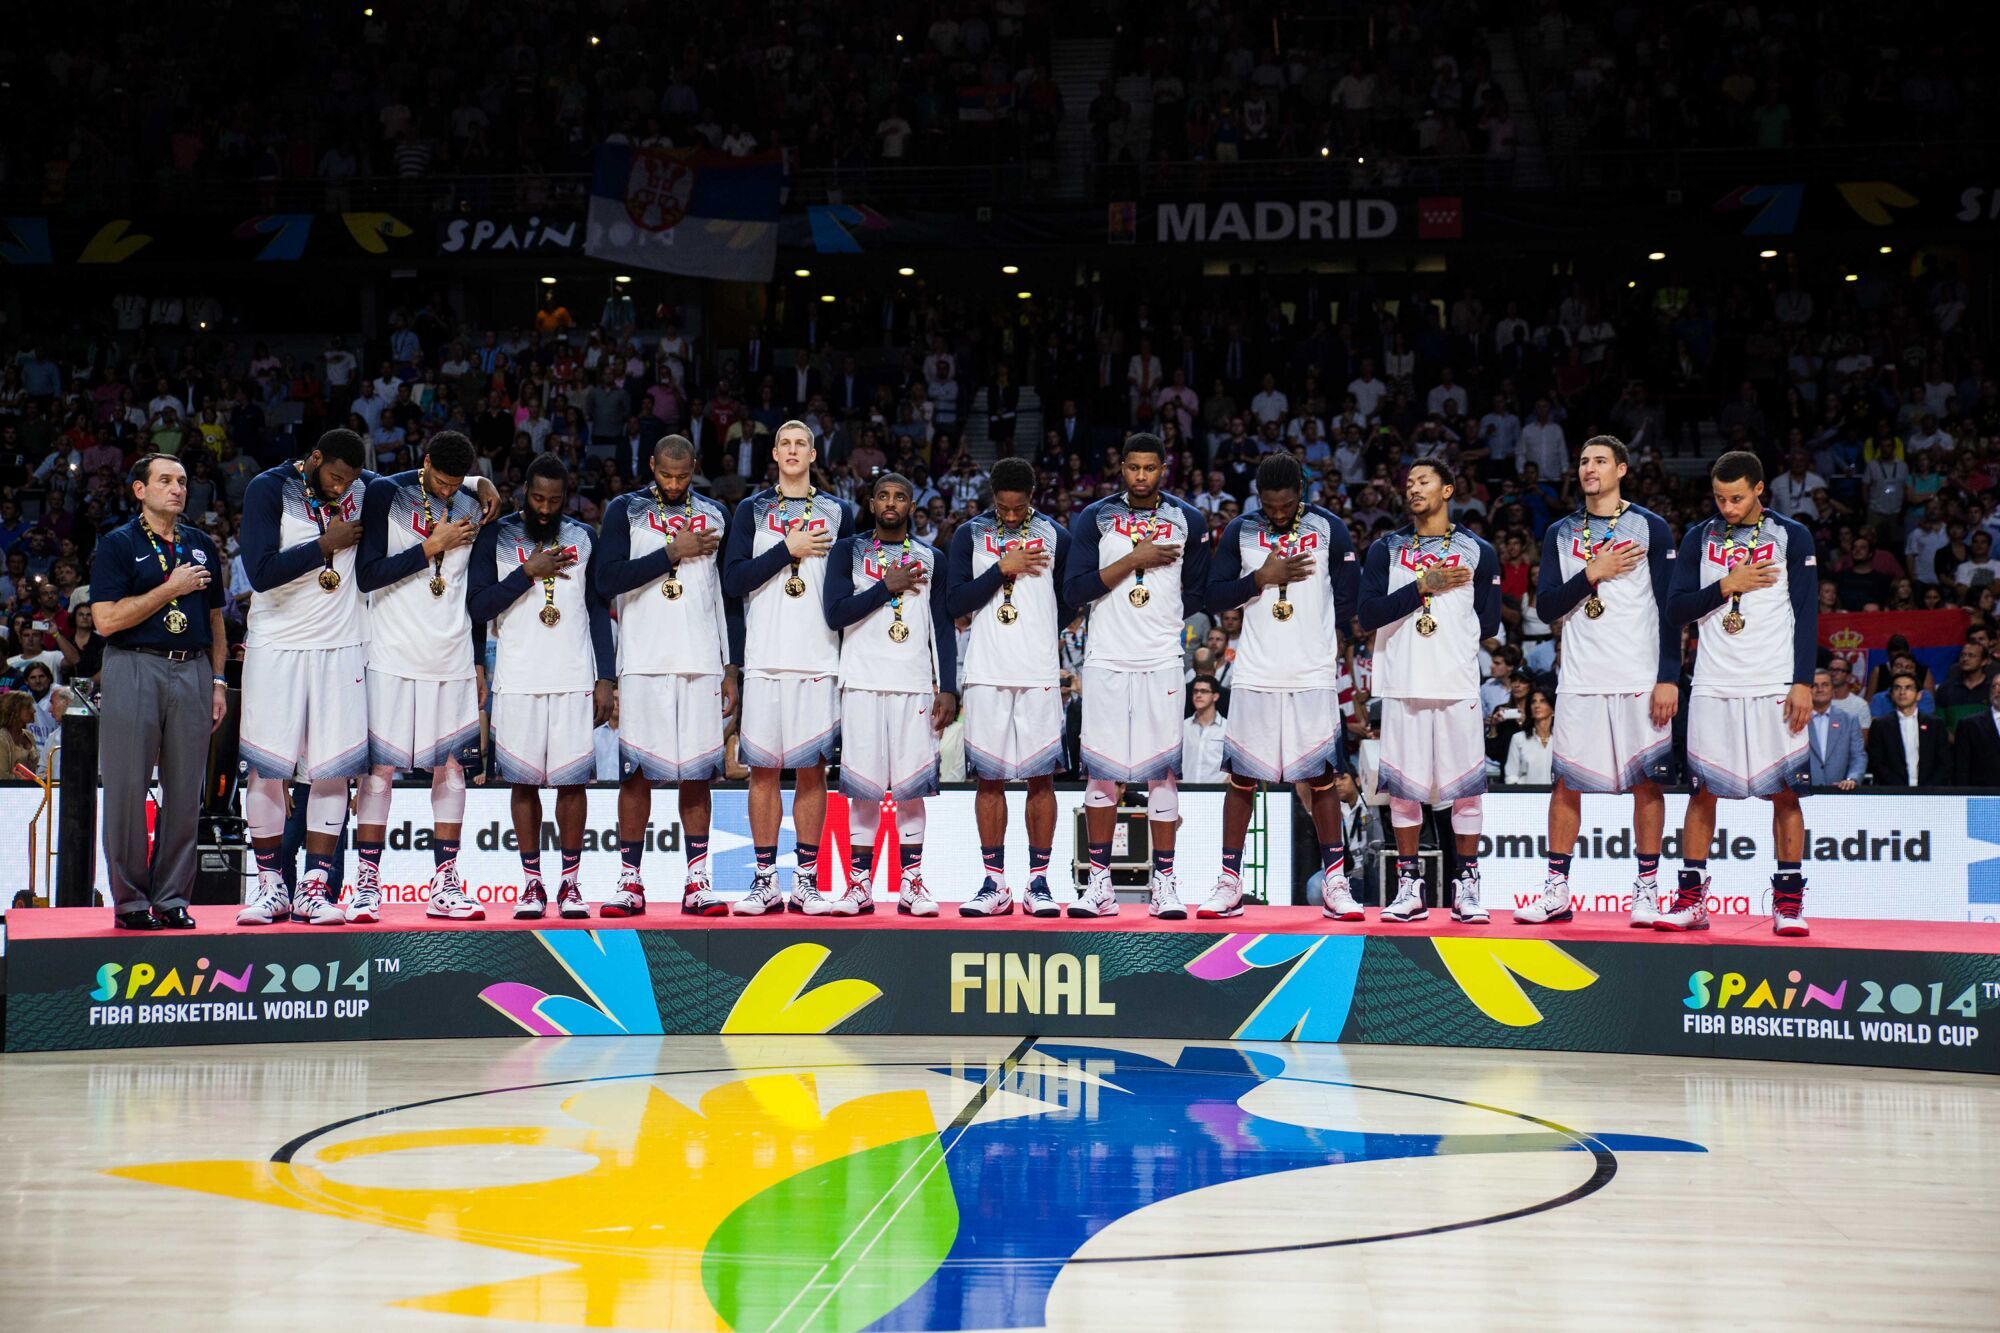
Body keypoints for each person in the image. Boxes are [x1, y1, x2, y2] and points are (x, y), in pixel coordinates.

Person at [1515, 436, 1680, 928]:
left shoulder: (1652, 527)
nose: (1590, 468)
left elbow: (1671, 610)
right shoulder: (1561, 532)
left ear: (1622, 470)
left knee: (1645, 785)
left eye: (1600, 461)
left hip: (1638, 675)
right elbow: (1545, 608)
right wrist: (1592, 572)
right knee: (1566, 784)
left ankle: (1646, 890)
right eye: (1584, 461)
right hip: (1581, 677)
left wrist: (1668, 677)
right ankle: (1557, 890)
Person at [1662, 451, 1817, 936]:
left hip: (1774, 681)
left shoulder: (1792, 535)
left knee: (1785, 793)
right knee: (1703, 791)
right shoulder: (1697, 538)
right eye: (1719, 497)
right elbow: (1677, 610)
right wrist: (1726, 585)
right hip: (1712, 682)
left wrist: (1804, 682)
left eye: (1736, 497)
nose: (1727, 506)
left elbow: (1808, 612)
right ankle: (1692, 900)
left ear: (1758, 490)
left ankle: (1788, 903)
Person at [1200, 452, 1361, 919]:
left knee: (1322, 777)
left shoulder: (1332, 528)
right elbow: (1213, 595)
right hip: (1255, 672)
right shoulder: (1240, 531)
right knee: (1241, 779)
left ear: (1303, 492)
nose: (1278, 512)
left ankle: (1335, 881)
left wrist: (1335, 640)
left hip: (1311, 673)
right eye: (1269, 505)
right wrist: (1260, 579)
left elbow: (1350, 598)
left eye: (1286, 504)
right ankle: (1230, 881)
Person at [1061, 432, 1210, 917]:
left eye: (1150, 468)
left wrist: (1159, 618)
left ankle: (1165, 882)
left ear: (1164, 468)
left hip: (1162, 660)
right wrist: (1133, 561)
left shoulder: (1188, 520)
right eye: (1133, 468)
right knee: (1101, 777)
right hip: (1105, 660)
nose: (1141, 476)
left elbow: (1199, 592)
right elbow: (1075, 589)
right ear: (1120, 467)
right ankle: (1098, 884)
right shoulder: (1094, 518)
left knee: (1163, 775)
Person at [593, 434, 738, 916]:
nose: (674, 484)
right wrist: (671, 553)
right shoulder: (623, 510)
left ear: (694, 466)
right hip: (643, 661)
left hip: (700, 660)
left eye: (682, 476)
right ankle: (630, 881)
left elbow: (727, 596)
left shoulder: (717, 512)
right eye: (665, 475)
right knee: (636, 774)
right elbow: (607, 581)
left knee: (698, 774)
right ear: (651, 465)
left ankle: (697, 882)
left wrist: (730, 665)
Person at [468, 454, 616, 916]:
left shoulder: (584, 537)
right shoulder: (496, 535)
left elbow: (596, 611)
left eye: (554, 500)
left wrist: (606, 676)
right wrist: (525, 574)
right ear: (523, 492)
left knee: (573, 785)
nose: (545, 508)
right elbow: (478, 606)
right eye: (537, 498)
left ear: (565, 498)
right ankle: (532, 884)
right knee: (523, 784)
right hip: (517, 677)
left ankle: (570, 885)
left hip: (573, 676)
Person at [86, 453, 228, 930]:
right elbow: (105, 621)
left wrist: (218, 680)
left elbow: (214, 620)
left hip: (192, 670)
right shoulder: (117, 545)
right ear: (139, 490)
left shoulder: (202, 544)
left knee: (186, 793)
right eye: (165, 480)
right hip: (133, 666)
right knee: (127, 789)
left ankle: (170, 898)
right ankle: (129, 902)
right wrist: (171, 587)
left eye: (183, 481)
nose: (177, 488)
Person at [721, 420, 857, 913]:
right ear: (774, 454)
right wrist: (787, 549)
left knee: (811, 774)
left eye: (802, 443)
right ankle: (763, 880)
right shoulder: (750, 511)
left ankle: (805, 880)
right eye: (786, 444)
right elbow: (733, 581)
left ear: (814, 455)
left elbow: (852, 588)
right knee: (762, 772)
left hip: (819, 657)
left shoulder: (840, 512)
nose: (794, 450)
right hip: (765, 657)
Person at [1357, 456, 1501, 923]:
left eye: (1424, 481)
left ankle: (1467, 886)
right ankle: (1409, 886)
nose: (1413, 488)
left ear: (1447, 490)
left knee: (1466, 792)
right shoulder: (1387, 548)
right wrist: (1423, 587)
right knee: (1404, 792)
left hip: (1456, 682)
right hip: (1402, 684)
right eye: (1409, 482)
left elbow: (1491, 621)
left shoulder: (1479, 550)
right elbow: (1368, 615)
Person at [351, 432, 485, 923]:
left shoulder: (473, 504)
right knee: (379, 772)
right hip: (389, 653)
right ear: (424, 462)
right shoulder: (386, 492)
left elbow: (473, 592)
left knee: (451, 771)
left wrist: (476, 660)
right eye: (442, 482)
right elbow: (367, 575)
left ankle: (445, 884)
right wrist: (433, 546)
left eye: (457, 484)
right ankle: (367, 884)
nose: (449, 492)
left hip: (449, 657)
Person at [822, 472, 957, 916]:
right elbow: (836, 613)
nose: (892, 503)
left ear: (912, 503)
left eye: (900, 496)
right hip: (860, 680)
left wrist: (949, 686)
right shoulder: (848, 551)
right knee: (861, 790)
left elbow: (942, 625)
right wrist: (886, 587)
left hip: (914, 683)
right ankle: (859, 886)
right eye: (884, 496)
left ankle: (911, 884)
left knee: (911, 789)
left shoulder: (932, 557)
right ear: (872, 501)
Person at [944, 455, 1074, 917]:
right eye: (1004, 507)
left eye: (1019, 508)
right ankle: (995, 883)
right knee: (990, 780)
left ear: (1032, 498)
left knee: (1042, 779)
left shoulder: (1058, 535)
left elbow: (1071, 602)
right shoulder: (969, 535)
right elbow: (955, 602)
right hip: (985, 671)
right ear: (992, 499)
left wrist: (1036, 631)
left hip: (1038, 671)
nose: (1012, 515)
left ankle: (1039, 882)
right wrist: (1002, 568)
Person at [1865, 670, 1950, 786]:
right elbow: (1876, 762)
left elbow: (1944, 761)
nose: (1902, 692)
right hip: (1893, 792)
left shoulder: (1935, 724)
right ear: (1891, 694)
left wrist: (1929, 788)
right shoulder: (1880, 725)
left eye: (1908, 688)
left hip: (1929, 792)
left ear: (1919, 695)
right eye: (1897, 688)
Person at [1804, 670, 1866, 790]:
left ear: (1833, 690)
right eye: (1814, 685)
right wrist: (1800, 783)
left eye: (1825, 685)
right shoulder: (1798, 720)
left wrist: (1851, 779)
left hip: (1840, 792)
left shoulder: (1849, 720)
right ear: (1807, 691)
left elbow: (1858, 756)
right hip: (1804, 793)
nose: (1820, 689)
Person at [1951, 673, 2000, 783]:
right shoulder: (1969, 725)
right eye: (1994, 686)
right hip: (1982, 796)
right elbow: (1961, 769)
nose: (1998, 690)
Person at [1180, 674, 1228, 784]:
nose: (1198, 695)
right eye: (1195, 691)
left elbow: (1237, 765)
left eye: (1204, 691)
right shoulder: (1183, 727)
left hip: (1218, 793)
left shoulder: (1227, 729)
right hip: (1186, 792)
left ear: (1215, 696)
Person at [1505, 687, 1558, 784]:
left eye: (1543, 701)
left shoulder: (1562, 740)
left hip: (1555, 797)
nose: (1537, 705)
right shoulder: (1518, 738)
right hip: (1526, 796)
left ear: (1553, 709)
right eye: (1533, 702)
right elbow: (1511, 775)